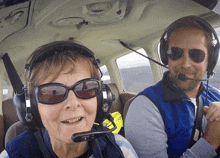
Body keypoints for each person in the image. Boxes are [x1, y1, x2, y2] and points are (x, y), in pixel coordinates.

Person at [0, 41, 138, 158]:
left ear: (102, 99)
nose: (73, 104)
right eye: (53, 93)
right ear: (32, 107)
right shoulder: (13, 155)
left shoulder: (120, 150)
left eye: (85, 88)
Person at [125, 15, 220, 158]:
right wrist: (210, 143)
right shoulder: (145, 108)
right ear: (165, 56)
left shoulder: (216, 96)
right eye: (175, 53)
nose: (186, 64)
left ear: (210, 60)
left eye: (196, 54)